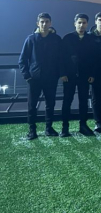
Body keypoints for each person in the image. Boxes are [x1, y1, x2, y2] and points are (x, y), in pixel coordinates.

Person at [19, 12, 63, 140]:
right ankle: (32, 130)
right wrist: (27, 76)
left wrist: (58, 74)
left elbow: (61, 58)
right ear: (38, 23)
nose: (44, 24)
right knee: (32, 105)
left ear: (50, 23)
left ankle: (49, 128)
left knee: (50, 104)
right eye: (42, 22)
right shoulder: (31, 39)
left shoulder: (56, 39)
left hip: (51, 78)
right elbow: (22, 60)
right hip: (34, 79)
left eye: (47, 21)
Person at [60, 14, 96, 137]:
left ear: (87, 24)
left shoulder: (90, 39)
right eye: (79, 22)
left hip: (84, 75)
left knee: (83, 101)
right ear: (75, 23)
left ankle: (83, 126)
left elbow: (94, 58)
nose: (81, 25)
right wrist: (62, 73)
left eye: (84, 23)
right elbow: (61, 57)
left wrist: (92, 74)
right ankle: (65, 127)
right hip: (69, 76)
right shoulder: (67, 38)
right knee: (67, 101)